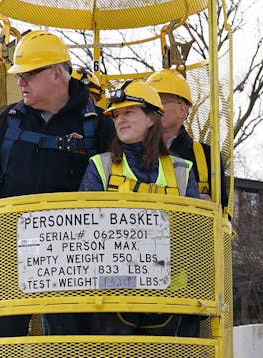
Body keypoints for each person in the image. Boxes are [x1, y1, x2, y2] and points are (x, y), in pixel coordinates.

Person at [0, 30, 113, 337]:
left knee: (69, 344)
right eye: (18, 75)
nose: (20, 82)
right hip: (9, 249)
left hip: (73, 255)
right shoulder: (8, 121)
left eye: (28, 74)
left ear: (57, 73)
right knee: (3, 339)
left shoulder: (99, 125)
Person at [80, 80, 198, 334]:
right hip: (112, 296)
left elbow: (192, 237)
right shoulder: (101, 167)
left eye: (129, 112)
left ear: (152, 119)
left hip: (169, 296)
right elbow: (85, 234)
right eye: (116, 115)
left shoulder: (182, 171)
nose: (120, 120)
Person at [146, 68, 226, 208]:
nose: (155, 107)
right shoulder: (131, 151)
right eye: (150, 102)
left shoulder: (208, 156)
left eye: (161, 101)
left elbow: (223, 212)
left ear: (182, 109)